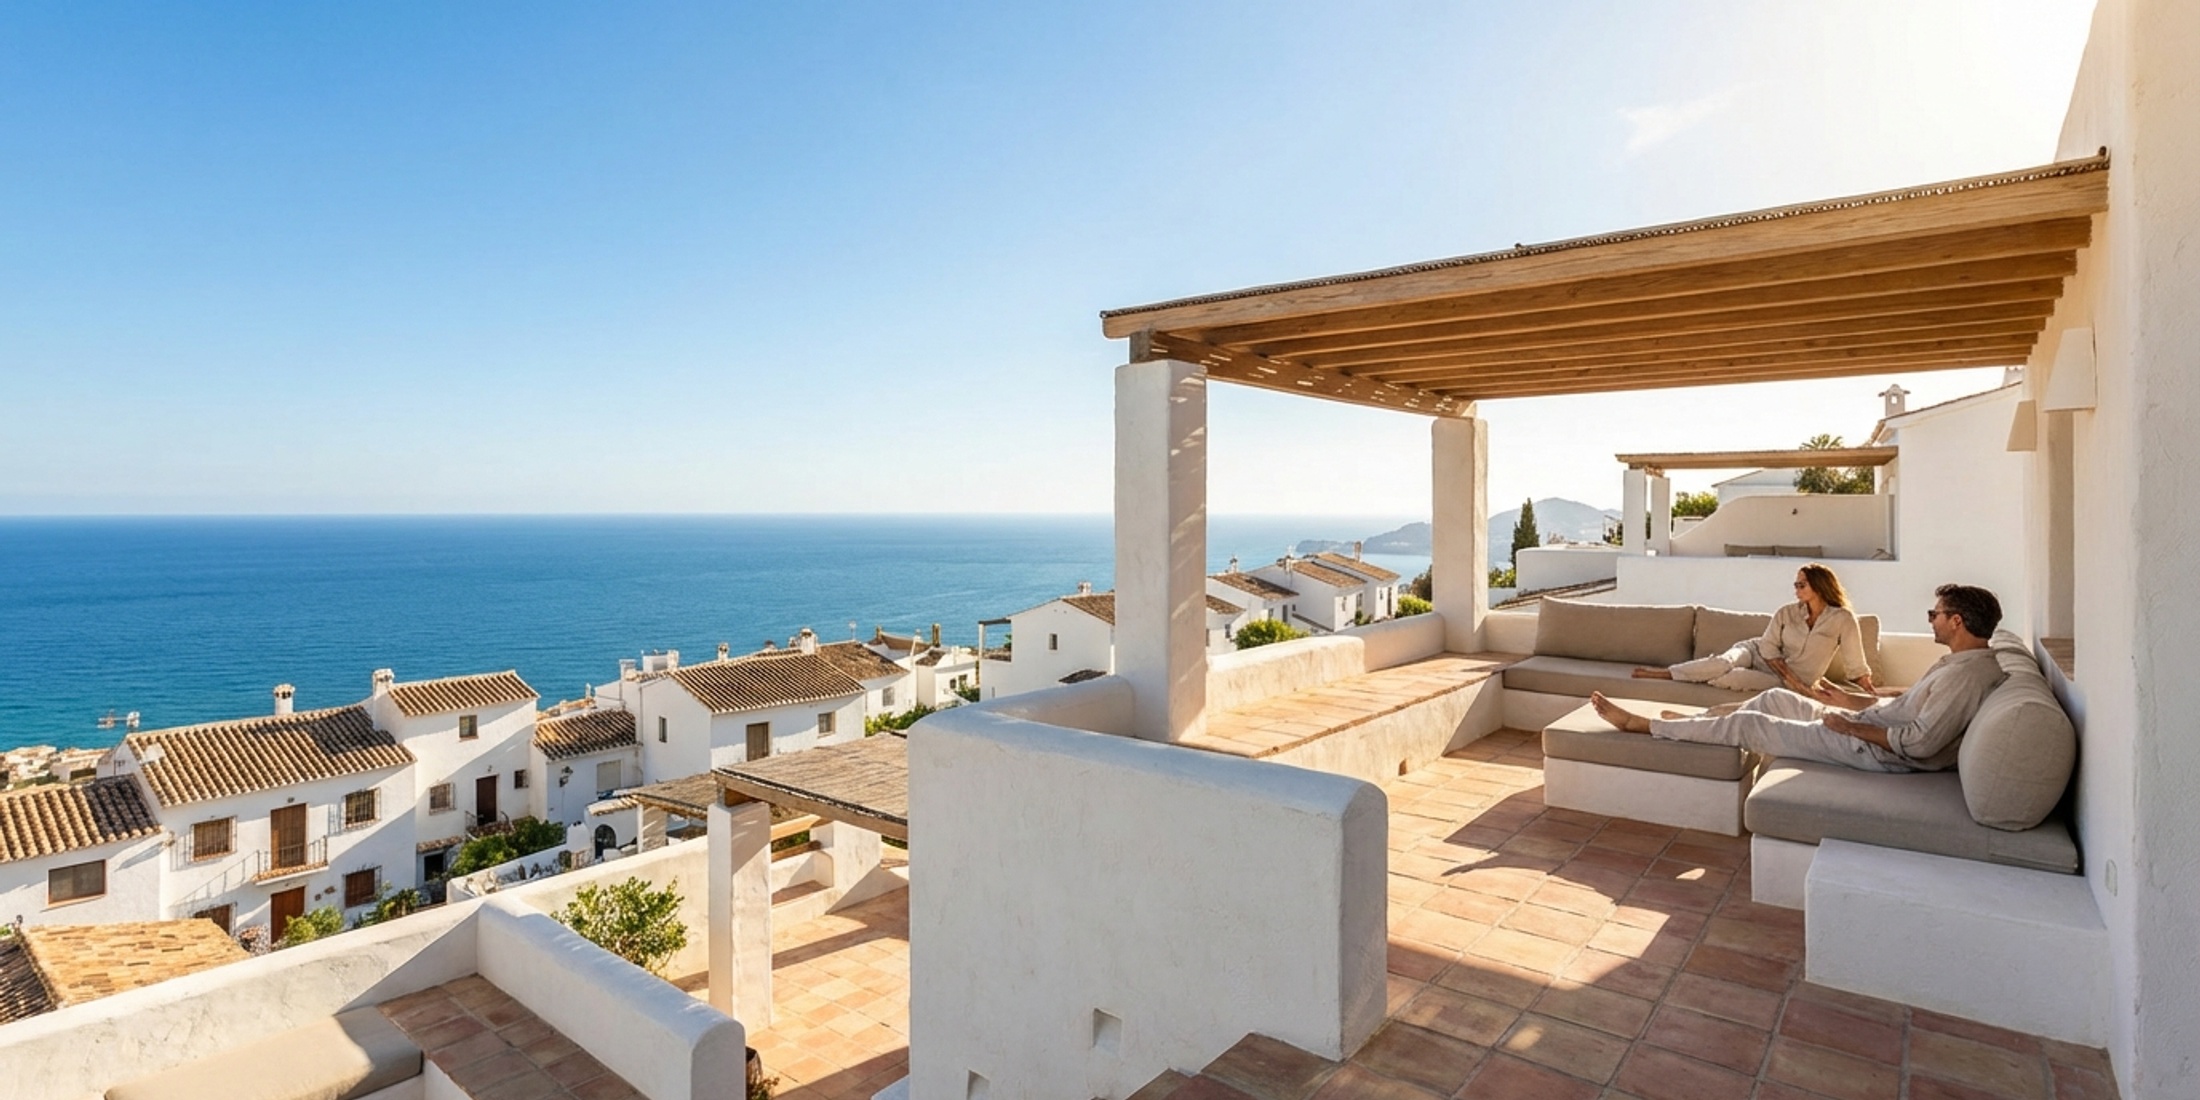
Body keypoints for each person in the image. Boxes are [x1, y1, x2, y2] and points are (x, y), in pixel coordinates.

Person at [1589, 584, 2006, 773]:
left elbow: (1919, 742)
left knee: (1752, 723)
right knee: (1771, 703)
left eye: (1934, 615)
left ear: (1957, 620)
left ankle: (1645, 725)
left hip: (1876, 753)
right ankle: (1690, 724)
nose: (1930, 620)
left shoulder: (1966, 678)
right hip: (1870, 727)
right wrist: (1849, 701)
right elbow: (1904, 709)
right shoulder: (1959, 663)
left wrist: (1850, 726)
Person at [1631, 563, 1876, 695]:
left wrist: (1870, 691)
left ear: (1819, 586)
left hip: (1778, 679)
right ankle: (1662, 674)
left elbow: (1856, 662)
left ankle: (1696, 673)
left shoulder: (1842, 619)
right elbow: (1768, 648)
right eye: (1796, 584)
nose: (1796, 589)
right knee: (1723, 663)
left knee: (1731, 678)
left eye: (1801, 584)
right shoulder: (1786, 612)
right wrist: (1798, 686)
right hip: (1756, 652)